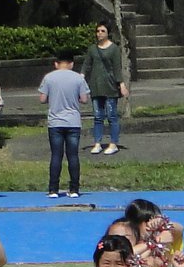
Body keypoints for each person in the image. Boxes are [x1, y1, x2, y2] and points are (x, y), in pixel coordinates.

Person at [37, 50, 90, 198]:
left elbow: (42, 99)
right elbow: (84, 99)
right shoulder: (78, 78)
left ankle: (53, 189)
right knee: (73, 156)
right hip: (73, 121)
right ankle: (74, 189)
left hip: (55, 122)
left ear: (56, 63)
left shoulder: (49, 78)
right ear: (72, 63)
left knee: (56, 155)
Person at [83, 21, 126, 157]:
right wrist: (81, 77)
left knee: (112, 115)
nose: (99, 34)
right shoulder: (92, 49)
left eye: (102, 31)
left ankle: (113, 143)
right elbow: (86, 65)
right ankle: (97, 142)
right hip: (96, 86)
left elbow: (117, 68)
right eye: (98, 31)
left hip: (110, 86)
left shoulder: (113, 49)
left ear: (108, 33)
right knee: (97, 116)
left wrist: (121, 84)